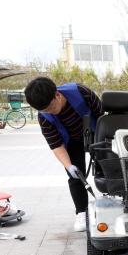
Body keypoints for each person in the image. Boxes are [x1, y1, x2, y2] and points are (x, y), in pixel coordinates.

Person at [25, 77, 104, 232]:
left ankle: (113, 201)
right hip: (72, 141)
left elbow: (101, 116)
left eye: (50, 107)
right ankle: (81, 213)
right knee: (75, 176)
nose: (48, 112)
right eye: (44, 110)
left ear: (58, 95)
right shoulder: (44, 117)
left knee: (106, 166)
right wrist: (69, 166)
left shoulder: (81, 93)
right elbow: (56, 145)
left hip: (96, 132)